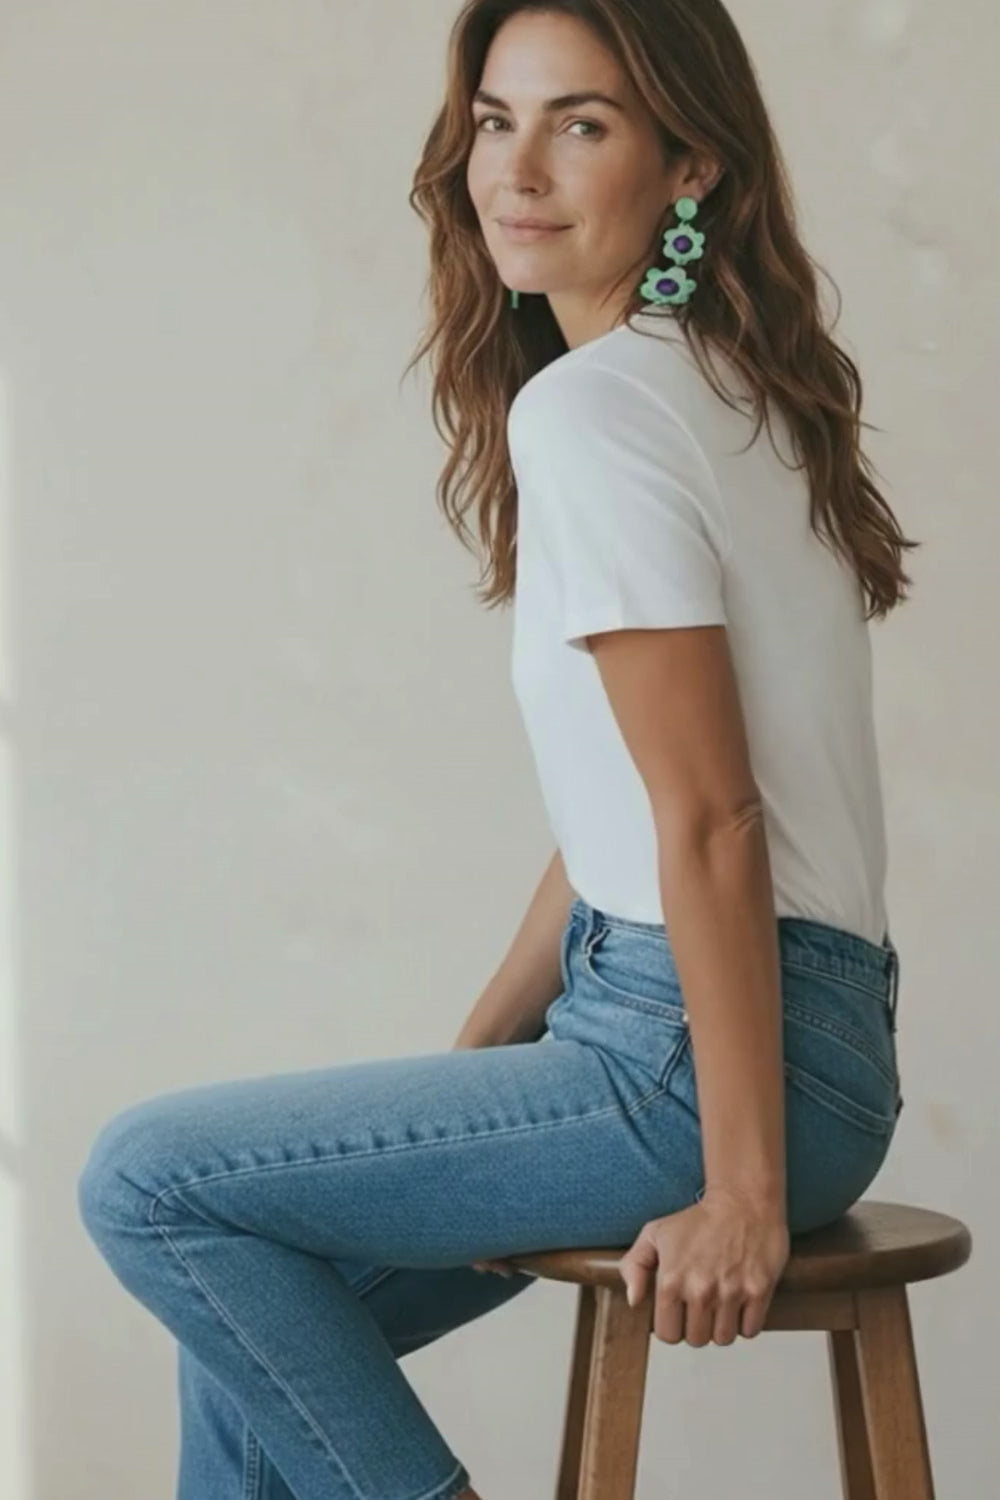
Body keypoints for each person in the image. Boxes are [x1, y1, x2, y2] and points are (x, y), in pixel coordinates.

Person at [77, 3, 918, 1498]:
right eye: (493, 120)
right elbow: (630, 799)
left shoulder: (595, 413)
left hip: (698, 1064)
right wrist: (475, 1071)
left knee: (146, 1183)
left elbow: (713, 819)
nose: (515, 168)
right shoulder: (739, 393)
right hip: (805, 1058)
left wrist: (742, 1189)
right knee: (245, 1320)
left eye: (580, 123)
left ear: (688, 170)